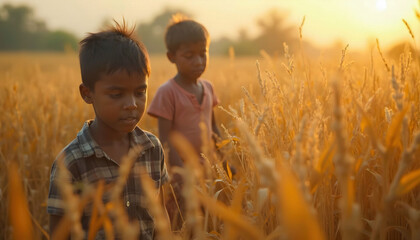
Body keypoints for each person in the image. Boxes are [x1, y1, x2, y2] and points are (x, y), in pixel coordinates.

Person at [47, 21, 168, 240]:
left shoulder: (152, 149)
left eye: (140, 92)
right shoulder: (71, 163)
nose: (132, 104)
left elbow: (161, 219)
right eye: (116, 94)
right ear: (87, 93)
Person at [147, 15, 221, 227]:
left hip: (207, 171)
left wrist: (225, 160)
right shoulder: (167, 93)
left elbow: (214, 127)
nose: (198, 61)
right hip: (180, 175)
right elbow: (165, 140)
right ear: (172, 57)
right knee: (180, 219)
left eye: (202, 54)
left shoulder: (208, 88)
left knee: (205, 219)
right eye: (189, 56)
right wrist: (181, 175)